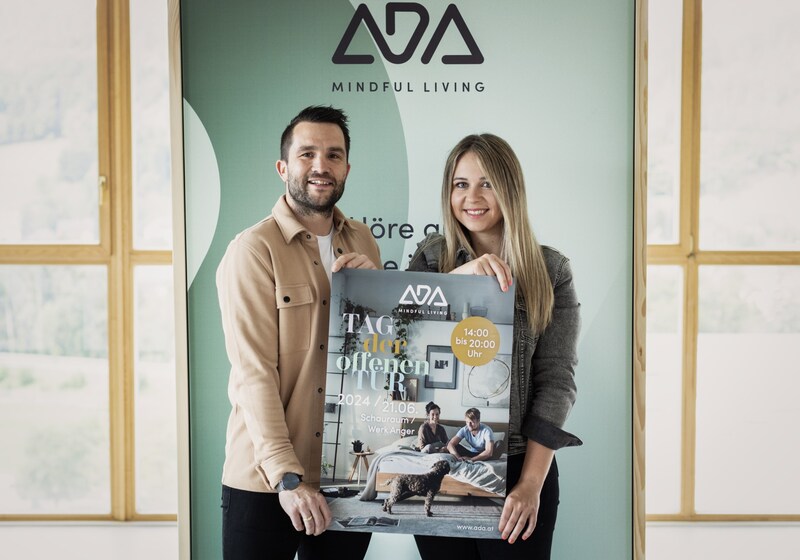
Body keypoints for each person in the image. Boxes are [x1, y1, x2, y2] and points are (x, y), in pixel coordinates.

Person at [217, 106, 381, 560]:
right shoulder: (253, 250)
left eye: (333, 155)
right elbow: (254, 374)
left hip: (343, 476)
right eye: (307, 153)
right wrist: (286, 479)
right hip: (265, 481)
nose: (321, 166)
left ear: (346, 167)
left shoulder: (364, 241)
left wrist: (377, 297)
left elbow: (376, 364)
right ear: (283, 167)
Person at [408, 133, 581, 559]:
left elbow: (557, 381)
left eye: (487, 183)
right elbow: (401, 345)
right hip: (449, 473)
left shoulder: (551, 270)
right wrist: (457, 282)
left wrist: (529, 485)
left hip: (523, 467)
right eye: (460, 184)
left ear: (510, 189)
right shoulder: (430, 259)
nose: (472, 197)